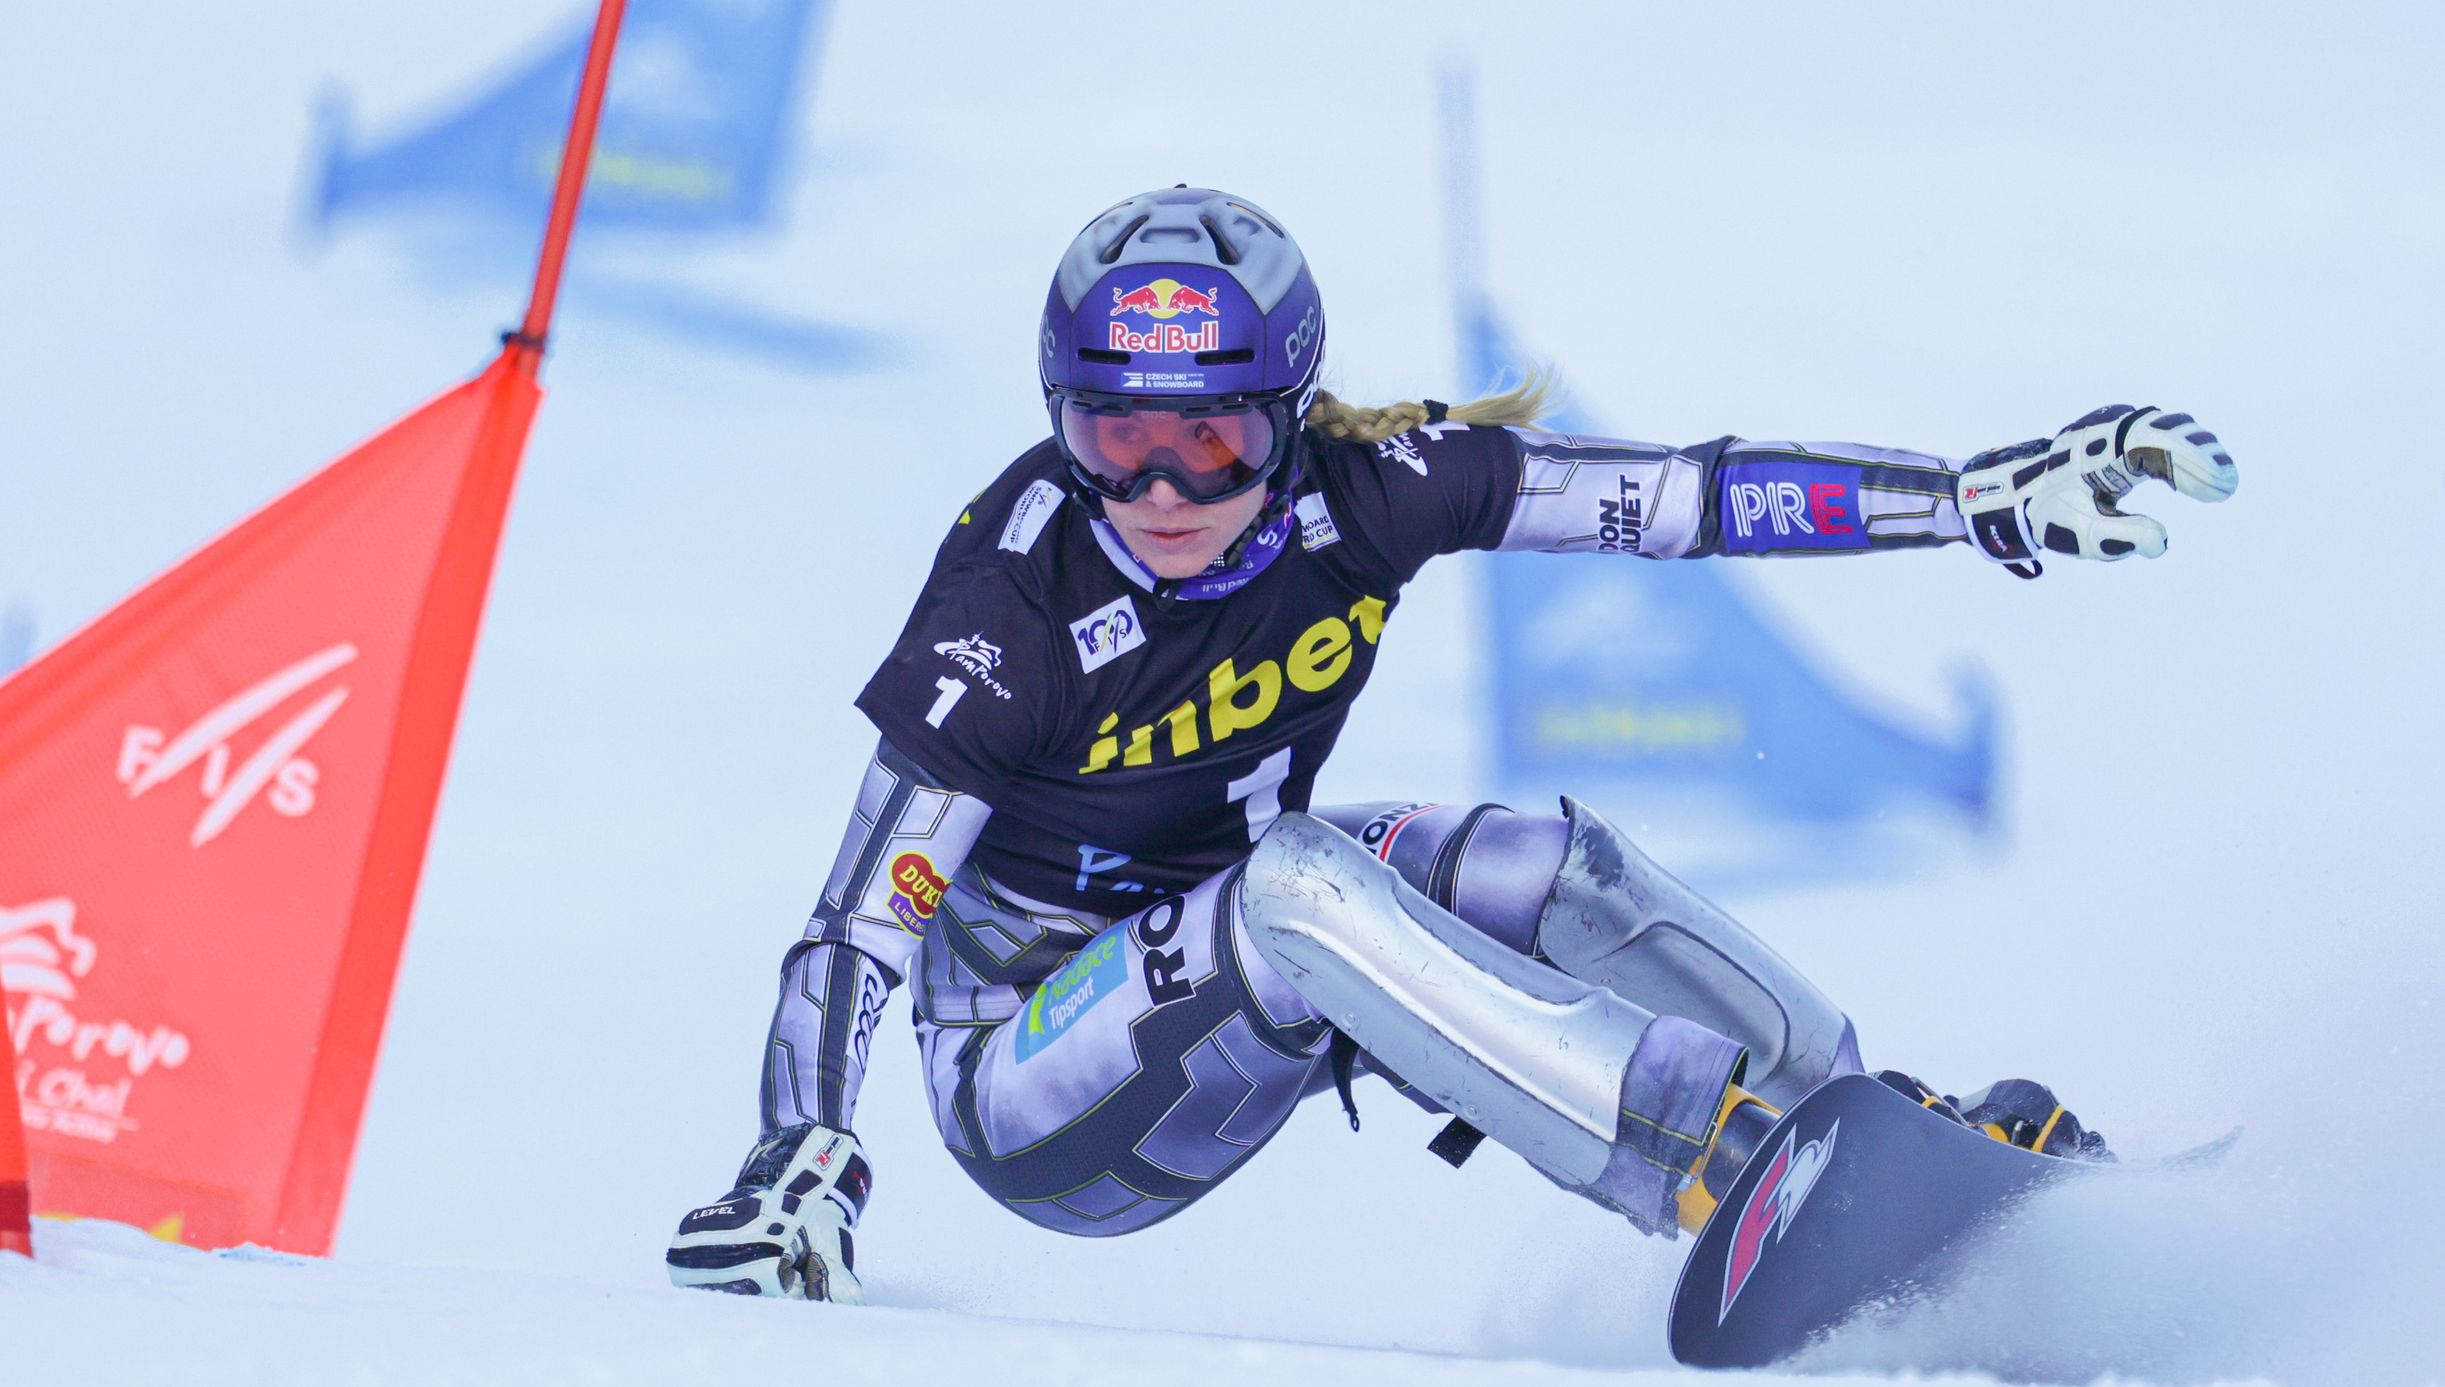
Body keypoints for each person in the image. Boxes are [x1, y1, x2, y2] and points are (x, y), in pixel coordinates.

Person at [665, 186, 2239, 1303]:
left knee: (1547, 864)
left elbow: (1692, 497)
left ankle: (1865, 1126)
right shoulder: (1012, 601)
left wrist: (1965, 500)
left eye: (1203, 438)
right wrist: (802, 1152)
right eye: (1112, 437)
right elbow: (862, 923)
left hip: (1253, 939)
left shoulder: (1379, 485)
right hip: (1030, 1078)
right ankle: (1707, 1161)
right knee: (1293, 879)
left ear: (1284, 415)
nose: (1158, 489)